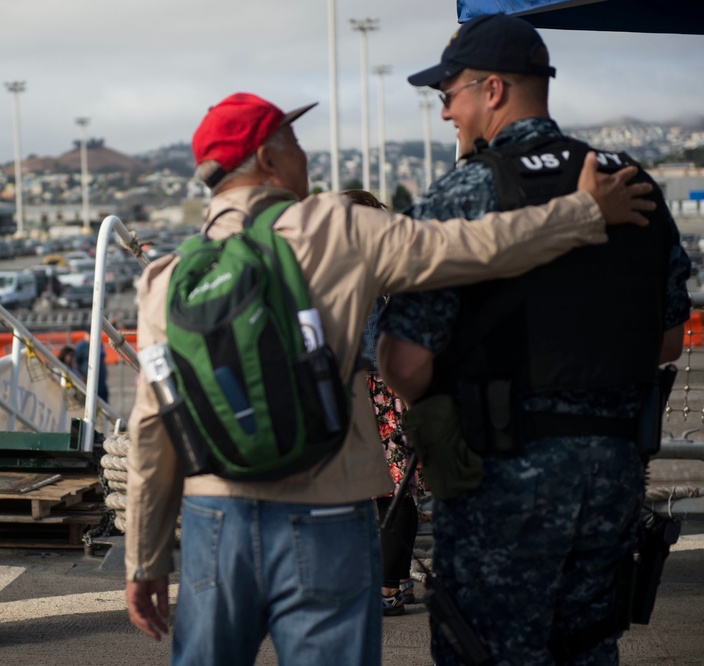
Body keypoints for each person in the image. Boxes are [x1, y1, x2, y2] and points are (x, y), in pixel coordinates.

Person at [124, 91, 656, 666]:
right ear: (268, 161)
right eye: (296, 143)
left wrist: (144, 561)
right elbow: (470, 247)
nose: (306, 157)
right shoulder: (335, 227)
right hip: (326, 510)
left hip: (214, 518)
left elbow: (152, 433)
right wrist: (582, 212)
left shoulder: (166, 279)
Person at [377, 14, 691, 664]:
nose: (444, 114)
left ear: (492, 90)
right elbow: (665, 343)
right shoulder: (632, 184)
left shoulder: (463, 192)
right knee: (585, 647)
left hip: (503, 478)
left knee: (485, 648)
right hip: (612, 477)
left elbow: (406, 365)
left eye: (448, 95)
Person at [344, 190, 423, 618]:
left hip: (362, 391)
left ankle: (388, 586)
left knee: (383, 493)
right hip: (390, 389)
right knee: (399, 489)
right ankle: (398, 580)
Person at [74, 334, 109, 403]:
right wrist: (80, 375)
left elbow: (102, 360)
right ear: (86, 335)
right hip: (87, 384)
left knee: (104, 407)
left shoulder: (99, 344)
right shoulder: (81, 346)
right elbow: (74, 362)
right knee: (88, 405)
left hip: (101, 384)